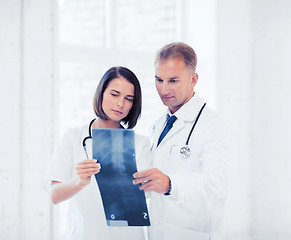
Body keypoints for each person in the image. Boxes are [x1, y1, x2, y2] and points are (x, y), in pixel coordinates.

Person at [133, 42, 229, 240]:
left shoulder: (212, 124)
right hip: (159, 231)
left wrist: (170, 184)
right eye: (158, 80)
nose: (164, 89)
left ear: (193, 80)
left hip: (192, 233)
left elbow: (218, 182)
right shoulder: (159, 124)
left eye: (173, 81)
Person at [44, 66, 151, 240]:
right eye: (114, 94)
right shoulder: (73, 137)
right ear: (101, 93)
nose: (120, 104)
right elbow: (54, 195)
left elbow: (147, 194)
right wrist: (80, 182)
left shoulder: (141, 143)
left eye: (129, 99)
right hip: (85, 233)